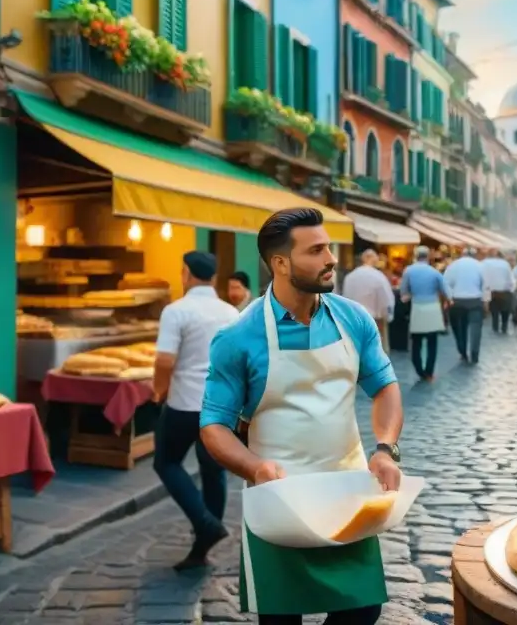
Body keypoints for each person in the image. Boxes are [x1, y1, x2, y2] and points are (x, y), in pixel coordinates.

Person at [200, 208, 403, 624]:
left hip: (349, 495)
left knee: (362, 611)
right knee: (280, 619)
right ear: (280, 263)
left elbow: (384, 387)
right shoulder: (238, 337)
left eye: (328, 246)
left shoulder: (353, 318)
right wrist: (254, 467)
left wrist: (384, 448)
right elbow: (213, 425)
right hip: (279, 502)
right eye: (316, 250)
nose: (331, 257)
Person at [153, 251, 238, 570]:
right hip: (220, 404)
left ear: (186, 273)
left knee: (166, 461)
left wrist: (159, 390)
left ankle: (204, 522)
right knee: (213, 470)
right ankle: (203, 545)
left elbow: (164, 360)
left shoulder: (176, 311)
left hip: (185, 403)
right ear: (214, 279)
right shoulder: (230, 312)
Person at [399, 246, 450, 381]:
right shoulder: (435, 272)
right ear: (428, 257)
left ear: (416, 256)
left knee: (416, 341)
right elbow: (445, 289)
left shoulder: (408, 271)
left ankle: (419, 370)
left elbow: (403, 290)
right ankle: (429, 372)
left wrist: (409, 295)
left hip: (417, 307)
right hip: (432, 307)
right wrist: (448, 301)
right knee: (432, 342)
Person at [342, 249, 396, 354]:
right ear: (374, 259)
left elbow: (345, 298)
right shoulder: (379, 277)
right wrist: (387, 316)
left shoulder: (350, 277)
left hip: (353, 320)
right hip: (374, 320)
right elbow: (386, 300)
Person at [444, 247, 489, 364]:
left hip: (457, 301)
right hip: (475, 301)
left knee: (459, 328)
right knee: (476, 329)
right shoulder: (480, 266)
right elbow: (486, 286)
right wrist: (486, 302)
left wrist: (448, 299)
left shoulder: (453, 265)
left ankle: (462, 351)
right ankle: (474, 354)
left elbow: (446, 283)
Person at [482, 249, 515, 334]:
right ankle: (504, 326)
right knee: (505, 311)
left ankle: (495, 327)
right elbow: (510, 278)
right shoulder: (505, 264)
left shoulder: (484, 263)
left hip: (492, 291)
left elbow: (483, 278)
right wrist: (511, 289)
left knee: (494, 311)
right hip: (505, 291)